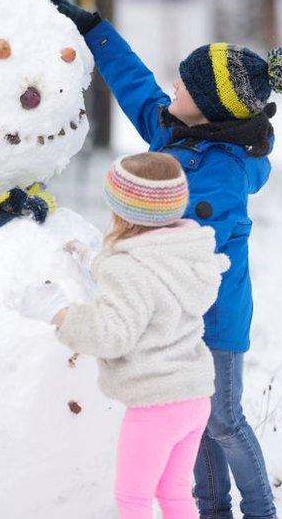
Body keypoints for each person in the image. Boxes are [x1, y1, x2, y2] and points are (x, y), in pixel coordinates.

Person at [44, 0, 282, 519]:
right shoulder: (177, 133)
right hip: (177, 319)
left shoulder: (221, 173)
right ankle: (211, 511)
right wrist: (95, 30)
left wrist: (110, 255)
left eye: (182, 84)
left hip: (216, 318)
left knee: (223, 420)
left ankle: (259, 511)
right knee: (195, 418)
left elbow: (167, 234)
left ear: (205, 107)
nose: (172, 87)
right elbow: (136, 85)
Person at [19, 152, 229, 519]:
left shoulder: (129, 269)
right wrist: (93, 259)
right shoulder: (186, 252)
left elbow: (111, 333)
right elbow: (147, 275)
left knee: (133, 500)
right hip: (194, 398)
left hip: (156, 405)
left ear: (123, 211)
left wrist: (59, 313)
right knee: (175, 492)